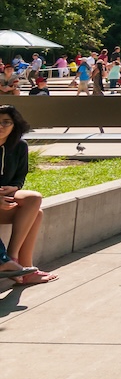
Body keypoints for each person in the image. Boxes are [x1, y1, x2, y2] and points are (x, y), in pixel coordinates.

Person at [0, 105, 56, 284]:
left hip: (7, 197)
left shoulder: (19, 146)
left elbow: (20, 177)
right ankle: (19, 266)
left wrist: (14, 188)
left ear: (14, 125)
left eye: (6, 122)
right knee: (36, 214)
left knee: (34, 201)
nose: (1, 126)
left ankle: (16, 259)